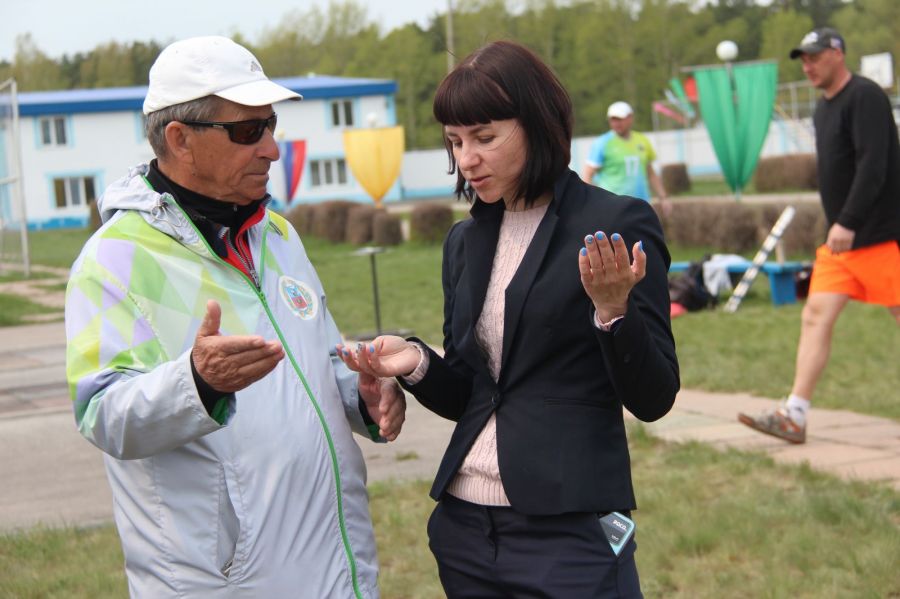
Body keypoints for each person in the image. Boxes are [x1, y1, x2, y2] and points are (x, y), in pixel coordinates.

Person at [64, 36, 405, 597]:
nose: (272, 149)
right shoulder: (115, 259)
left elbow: (312, 359)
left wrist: (359, 395)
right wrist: (196, 383)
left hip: (335, 567)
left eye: (270, 126)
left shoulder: (277, 234)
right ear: (180, 140)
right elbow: (102, 413)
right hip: (226, 582)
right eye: (249, 131)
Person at [338, 41, 679, 597]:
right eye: (454, 142)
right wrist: (418, 362)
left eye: (485, 137)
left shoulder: (616, 222)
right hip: (466, 532)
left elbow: (654, 397)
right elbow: (476, 395)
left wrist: (615, 313)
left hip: (569, 530)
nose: (466, 158)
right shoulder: (465, 242)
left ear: (538, 124)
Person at [738, 27, 900, 444]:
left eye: (813, 57)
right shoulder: (823, 108)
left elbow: (873, 166)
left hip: (882, 236)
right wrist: (840, 227)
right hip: (842, 244)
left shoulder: (865, 97)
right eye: (802, 59)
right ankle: (794, 414)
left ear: (838, 53)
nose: (807, 65)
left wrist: (847, 220)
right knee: (814, 316)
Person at [582, 101, 672, 216]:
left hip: (641, 205)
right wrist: (590, 202)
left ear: (630, 118)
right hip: (613, 207)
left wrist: (663, 197)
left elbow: (650, 173)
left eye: (619, 119)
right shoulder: (602, 143)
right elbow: (588, 175)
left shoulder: (642, 140)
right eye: (612, 119)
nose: (616, 123)